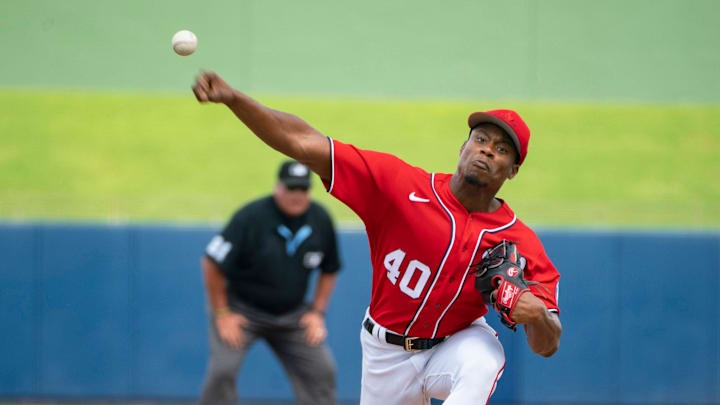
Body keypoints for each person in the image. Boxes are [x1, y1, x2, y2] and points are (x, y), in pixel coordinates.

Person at [192, 71, 562, 405]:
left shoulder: (520, 240)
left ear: (512, 170)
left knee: (484, 358)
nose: (486, 149)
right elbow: (302, 141)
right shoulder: (400, 186)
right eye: (480, 139)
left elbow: (546, 344)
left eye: (501, 149)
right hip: (386, 355)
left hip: (455, 344)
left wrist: (539, 317)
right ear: (462, 147)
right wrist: (235, 100)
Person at [199, 160, 341, 405]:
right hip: (242, 311)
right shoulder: (251, 217)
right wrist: (222, 314)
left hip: (292, 314)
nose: (297, 195)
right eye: (291, 188)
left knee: (322, 370)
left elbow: (330, 268)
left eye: (302, 189)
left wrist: (317, 312)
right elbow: (211, 263)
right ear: (278, 187)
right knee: (223, 370)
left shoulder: (319, 219)